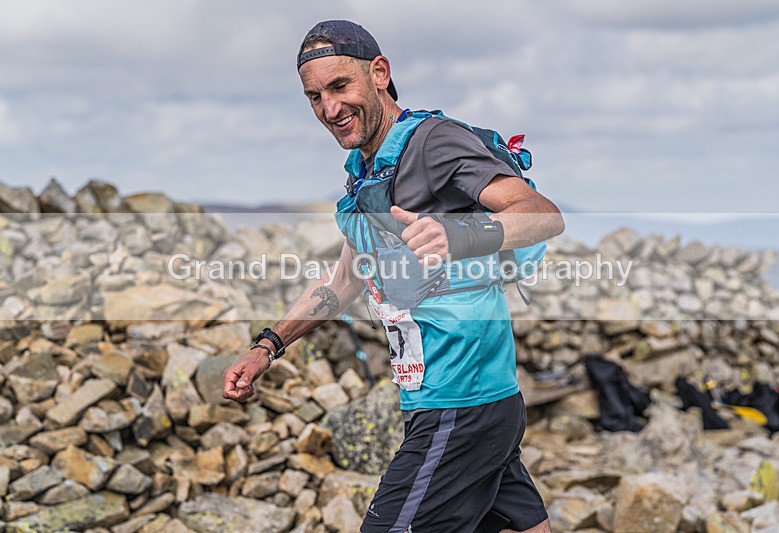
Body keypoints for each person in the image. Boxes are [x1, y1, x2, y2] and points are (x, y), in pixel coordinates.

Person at [223, 19, 564, 533]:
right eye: (314, 97)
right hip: (466, 403)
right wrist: (267, 345)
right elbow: (344, 280)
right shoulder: (370, 171)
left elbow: (542, 215)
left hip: (459, 406)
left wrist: (460, 235)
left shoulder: (434, 144)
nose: (329, 109)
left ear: (379, 73)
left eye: (340, 87)